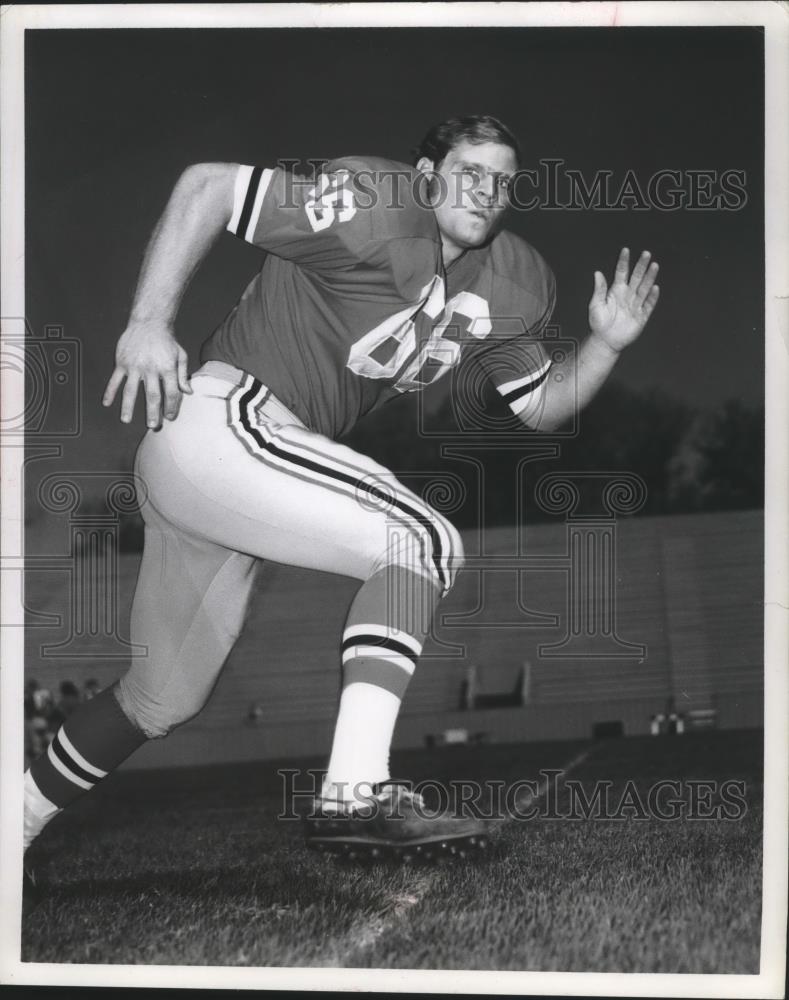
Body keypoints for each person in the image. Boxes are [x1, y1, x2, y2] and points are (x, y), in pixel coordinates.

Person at [23, 115, 659, 862]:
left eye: (501, 181)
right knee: (418, 541)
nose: (486, 192)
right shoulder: (379, 206)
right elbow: (208, 186)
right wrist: (148, 321)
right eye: (469, 173)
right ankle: (353, 790)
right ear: (426, 179)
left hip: (235, 474)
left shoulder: (515, 281)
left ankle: (12, 826)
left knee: (162, 698)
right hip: (225, 422)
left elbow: (540, 406)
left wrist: (605, 346)